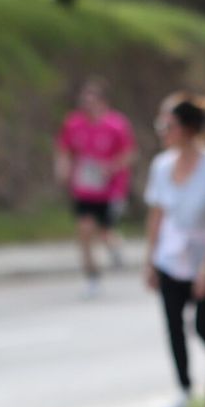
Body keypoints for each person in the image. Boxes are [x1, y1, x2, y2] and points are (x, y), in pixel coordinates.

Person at [144, 97, 205, 407]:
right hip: (171, 255)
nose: (164, 132)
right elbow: (157, 214)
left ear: (188, 128)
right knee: (173, 324)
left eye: (169, 125)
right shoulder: (161, 166)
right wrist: (150, 259)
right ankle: (185, 389)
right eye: (161, 125)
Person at [55, 77, 135, 298]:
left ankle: (115, 246)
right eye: (85, 101)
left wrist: (111, 167)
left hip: (109, 190)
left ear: (104, 102)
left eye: (92, 101)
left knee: (105, 232)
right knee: (84, 231)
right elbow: (65, 150)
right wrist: (63, 169)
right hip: (84, 189)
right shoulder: (73, 123)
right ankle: (92, 278)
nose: (88, 106)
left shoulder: (116, 124)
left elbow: (129, 154)